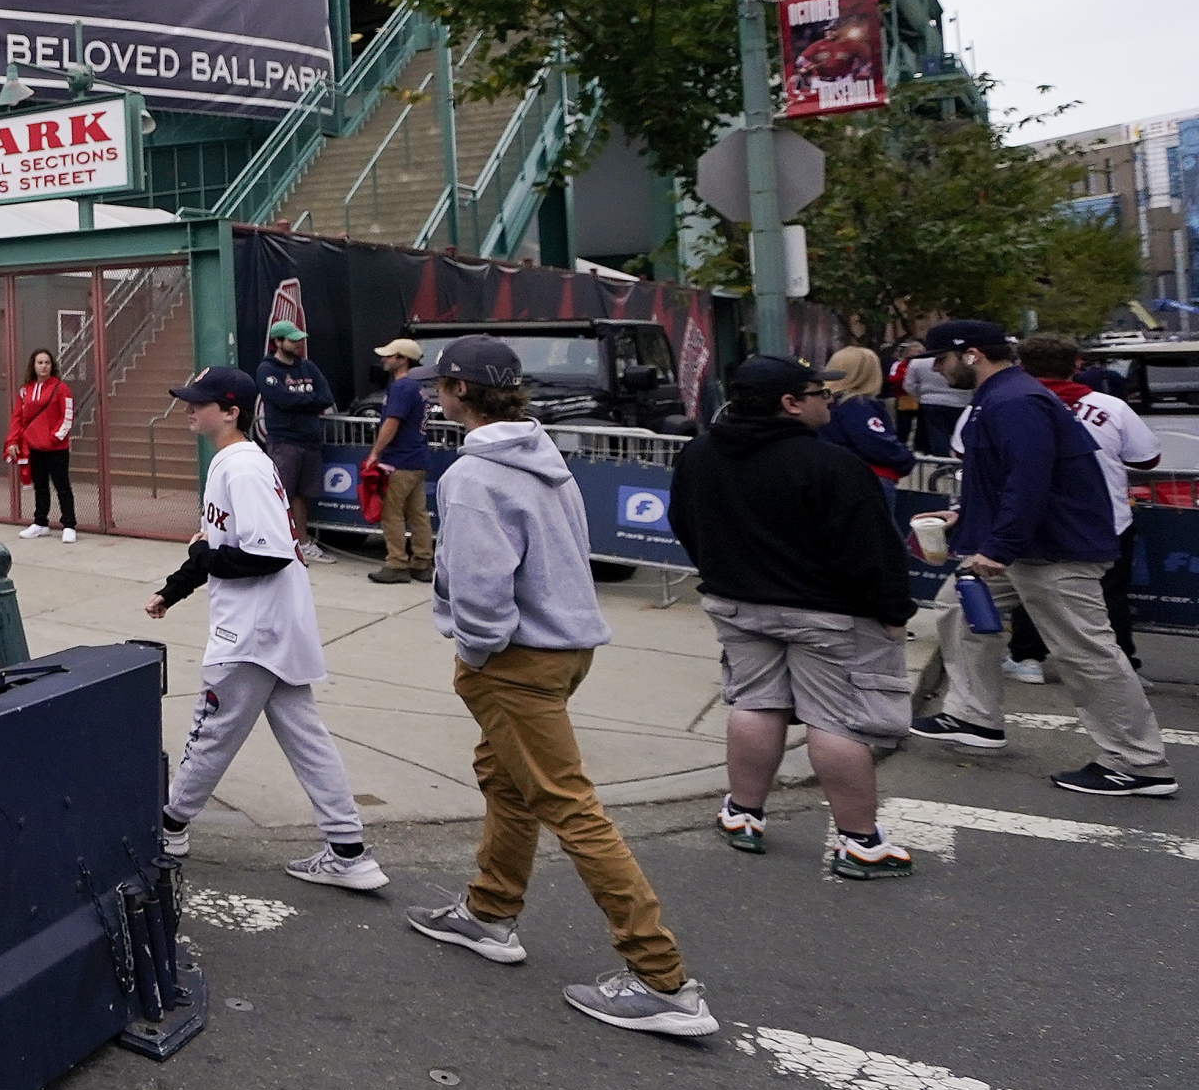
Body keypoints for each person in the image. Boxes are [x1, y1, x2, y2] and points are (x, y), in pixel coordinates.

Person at [408, 334, 715, 1037]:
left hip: (516, 657)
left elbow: (482, 584)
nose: (434, 396)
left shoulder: (472, 476)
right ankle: (488, 912)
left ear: (459, 393)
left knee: (568, 805)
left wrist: (478, 651)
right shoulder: (546, 457)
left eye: (440, 386)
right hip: (568, 645)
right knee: (506, 778)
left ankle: (661, 979)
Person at [668, 355, 918, 877]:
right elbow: (873, 551)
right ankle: (861, 844)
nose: (828, 400)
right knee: (837, 720)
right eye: (818, 393)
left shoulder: (700, 454)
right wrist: (893, 613)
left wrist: (725, 574)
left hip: (739, 605)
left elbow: (684, 523)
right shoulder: (833, 466)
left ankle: (742, 814)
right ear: (790, 404)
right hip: (827, 616)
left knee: (756, 704)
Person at [144, 366, 385, 891]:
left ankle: (170, 828)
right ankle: (349, 851)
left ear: (230, 411)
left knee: (210, 732)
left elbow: (264, 554)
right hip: (278, 626)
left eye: (199, 402)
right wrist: (173, 589)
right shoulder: (237, 462)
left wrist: (204, 556)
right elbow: (212, 545)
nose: (189, 408)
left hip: (251, 631)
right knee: (306, 738)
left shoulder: (243, 468)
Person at [908, 320, 1171, 796]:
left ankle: (1139, 764)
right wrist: (964, 517)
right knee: (958, 607)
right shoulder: (1004, 397)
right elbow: (1006, 477)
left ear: (970, 355)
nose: (937, 371)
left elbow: (1030, 481)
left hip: (1053, 549)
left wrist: (997, 546)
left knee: (1086, 653)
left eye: (941, 360)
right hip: (1032, 544)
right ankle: (974, 718)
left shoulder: (1015, 401)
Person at [1020, 330, 1161, 666]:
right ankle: (1121, 662)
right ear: (1078, 365)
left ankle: (1027, 658)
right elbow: (1147, 458)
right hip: (1104, 518)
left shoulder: (1001, 403)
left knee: (1030, 591)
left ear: (1022, 366)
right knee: (1108, 594)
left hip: (1030, 516)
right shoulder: (1111, 407)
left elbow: (960, 448)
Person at [254, 320, 338, 563]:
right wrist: (307, 402)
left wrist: (302, 401)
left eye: (300, 339)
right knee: (280, 494)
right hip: (284, 441)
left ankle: (303, 543)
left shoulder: (309, 367)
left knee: (302, 495)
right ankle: (278, 544)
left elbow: (325, 398)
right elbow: (283, 401)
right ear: (278, 342)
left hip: (310, 441)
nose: (299, 343)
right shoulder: (267, 370)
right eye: (292, 340)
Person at [362, 337, 436, 584]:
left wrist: (375, 453)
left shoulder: (402, 387)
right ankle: (422, 562)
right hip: (417, 459)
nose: (383, 359)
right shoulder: (417, 387)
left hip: (399, 461)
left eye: (389, 355)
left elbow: (392, 422)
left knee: (391, 512)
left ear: (403, 359)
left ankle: (396, 563)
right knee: (418, 514)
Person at [814, 345, 913, 498]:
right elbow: (876, 442)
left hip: (833, 476)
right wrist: (905, 459)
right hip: (870, 477)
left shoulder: (822, 403)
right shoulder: (858, 405)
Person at [7, 348, 78, 542]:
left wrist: (55, 437)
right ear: (34, 366)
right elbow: (17, 418)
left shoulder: (61, 388)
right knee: (41, 486)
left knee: (62, 486)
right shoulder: (25, 390)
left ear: (52, 365)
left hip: (57, 449)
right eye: (40, 362)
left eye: (47, 362)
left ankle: (69, 525)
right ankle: (40, 523)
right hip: (33, 447)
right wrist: (13, 441)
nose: (44, 366)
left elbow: (68, 415)